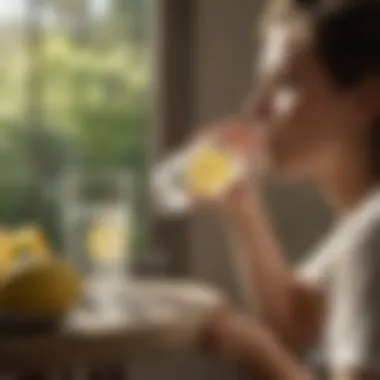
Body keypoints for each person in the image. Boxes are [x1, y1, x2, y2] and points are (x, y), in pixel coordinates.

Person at [196, 0, 380, 379]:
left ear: (366, 100)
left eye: (286, 83)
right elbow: (295, 320)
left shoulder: (374, 238)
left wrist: (256, 354)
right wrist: (242, 206)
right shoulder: (363, 222)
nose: (255, 108)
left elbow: (280, 338)